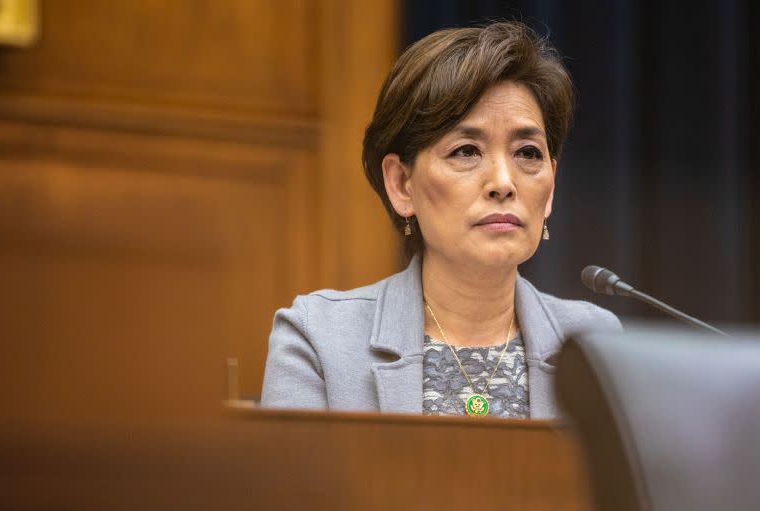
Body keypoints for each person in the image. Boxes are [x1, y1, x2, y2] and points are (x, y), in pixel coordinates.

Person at [261, 22, 620, 419]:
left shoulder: (598, 345)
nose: (503, 182)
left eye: (528, 153)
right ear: (401, 184)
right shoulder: (319, 339)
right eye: (466, 151)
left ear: (550, 188)